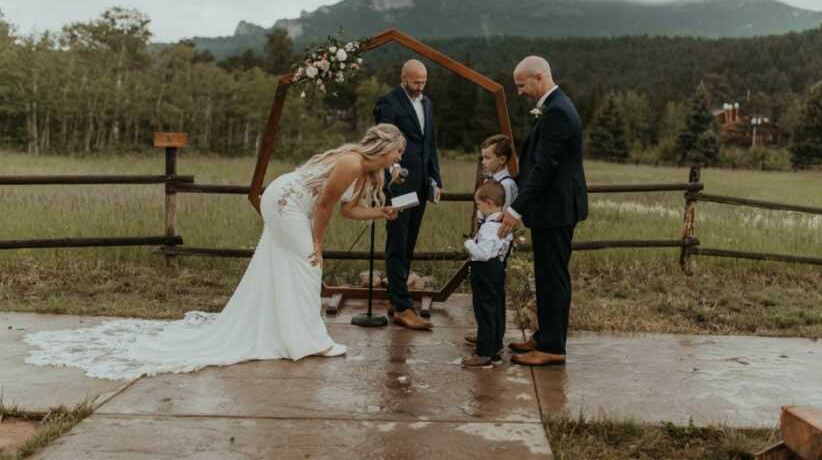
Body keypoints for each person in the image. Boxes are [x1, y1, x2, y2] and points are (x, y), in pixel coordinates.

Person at [23, 124, 405, 380]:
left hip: (291, 202)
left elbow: (347, 210)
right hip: (287, 201)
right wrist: (318, 243)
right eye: (397, 153)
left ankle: (287, 332)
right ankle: (307, 338)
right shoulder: (352, 162)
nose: (397, 161)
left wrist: (381, 211)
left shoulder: (365, 170)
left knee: (287, 266)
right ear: (384, 148)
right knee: (308, 264)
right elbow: (322, 208)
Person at [498, 55, 588, 368]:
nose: (520, 92)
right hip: (552, 207)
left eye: (522, 85)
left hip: (556, 208)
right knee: (546, 275)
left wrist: (515, 209)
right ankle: (544, 334)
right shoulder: (554, 106)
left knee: (554, 277)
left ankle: (553, 347)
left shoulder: (558, 112)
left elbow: (544, 167)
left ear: (539, 77)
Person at [374, 59, 442, 330]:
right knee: (398, 242)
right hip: (400, 185)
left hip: (423, 184)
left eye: (424, 81)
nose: (420, 86)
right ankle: (402, 307)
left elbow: (431, 143)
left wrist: (435, 178)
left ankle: (396, 296)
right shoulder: (388, 102)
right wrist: (393, 171)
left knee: (410, 240)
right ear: (403, 77)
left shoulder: (427, 103)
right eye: (416, 81)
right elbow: (383, 142)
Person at [465, 134, 518, 348]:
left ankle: (493, 338)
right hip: (487, 240)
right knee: (486, 296)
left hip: (496, 244)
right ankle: (486, 334)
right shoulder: (491, 181)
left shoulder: (507, 185)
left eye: (487, 158)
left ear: (502, 160)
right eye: (482, 157)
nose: (484, 162)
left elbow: (507, 216)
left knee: (492, 295)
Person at [462, 181, 512, 369]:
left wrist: (469, 244)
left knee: (484, 311)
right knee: (496, 307)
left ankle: (483, 353)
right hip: (497, 269)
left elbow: (482, 254)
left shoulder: (489, 227)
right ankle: (495, 347)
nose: (478, 209)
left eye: (479, 205)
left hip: (485, 271)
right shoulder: (503, 223)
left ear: (489, 203)